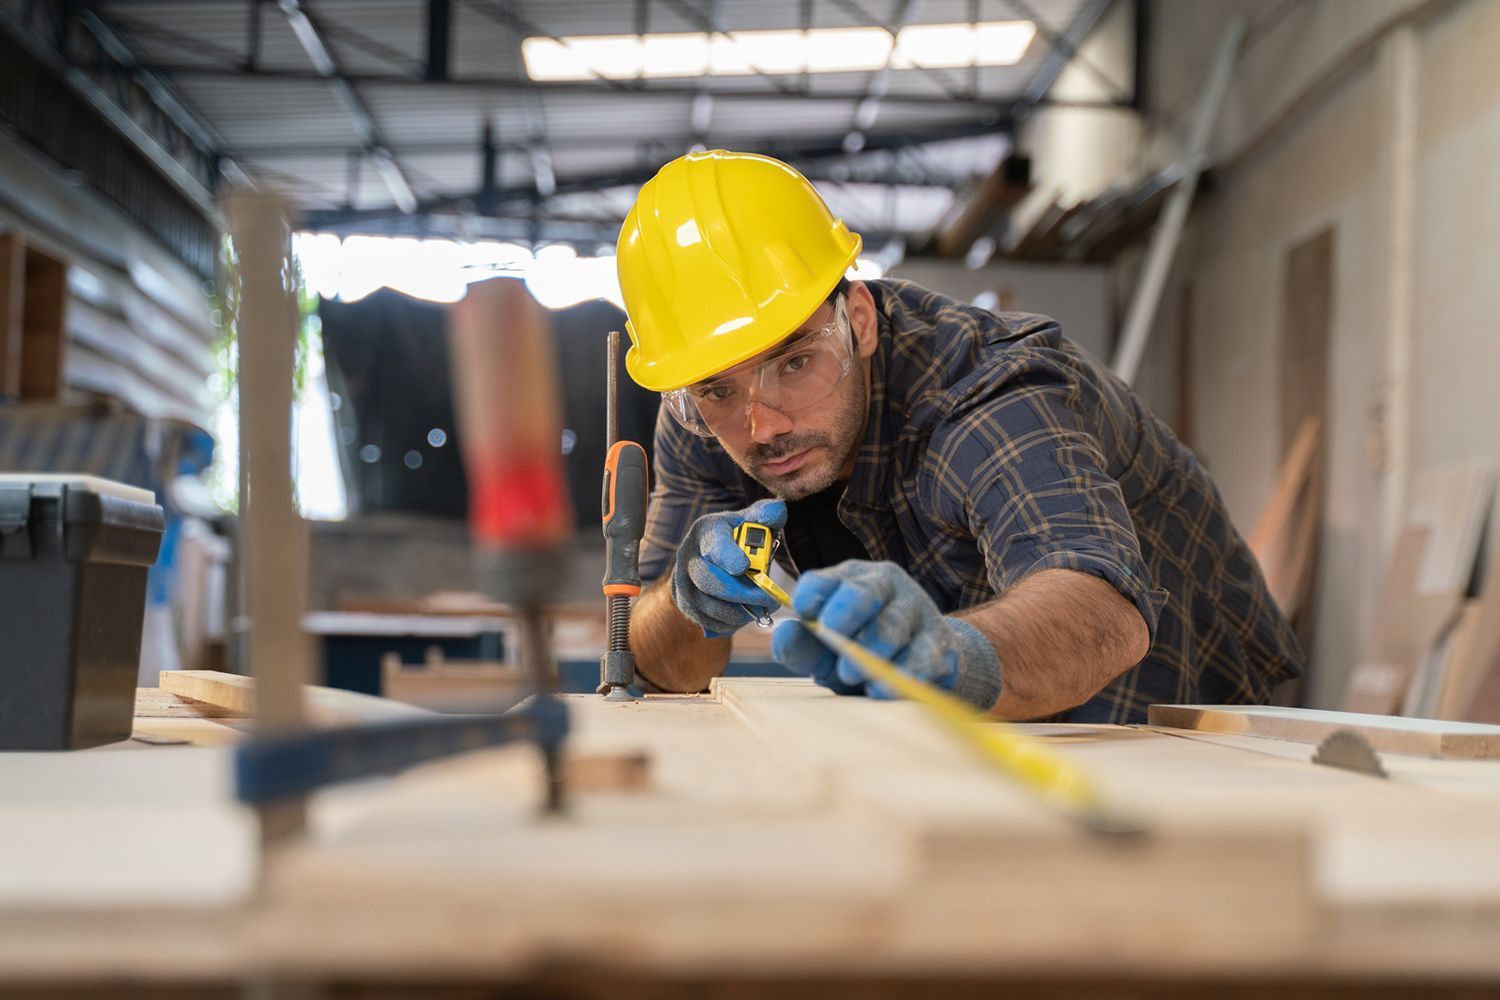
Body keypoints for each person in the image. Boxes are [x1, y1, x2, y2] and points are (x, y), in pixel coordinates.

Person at [614, 149, 1303, 723]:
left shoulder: (986, 389)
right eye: (718, 389)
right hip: (979, 730)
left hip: (1182, 715)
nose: (761, 426)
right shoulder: (698, 420)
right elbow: (656, 660)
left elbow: (1101, 614)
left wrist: (944, 656)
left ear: (859, 320)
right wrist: (683, 601)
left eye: (794, 363)